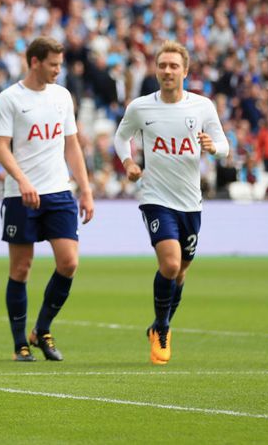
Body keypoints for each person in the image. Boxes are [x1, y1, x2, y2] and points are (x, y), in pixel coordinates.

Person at [113, 40, 229, 365]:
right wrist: (128, 163)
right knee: (171, 264)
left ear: (185, 71)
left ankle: (159, 324)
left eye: (173, 66)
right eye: (162, 65)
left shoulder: (202, 106)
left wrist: (213, 147)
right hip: (155, 197)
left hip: (190, 202)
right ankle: (162, 328)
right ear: (156, 69)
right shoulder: (140, 107)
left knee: (181, 272)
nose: (167, 71)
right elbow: (121, 137)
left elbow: (224, 144)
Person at [0, 36, 94, 363]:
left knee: (69, 262)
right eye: (53, 64)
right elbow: (0, 147)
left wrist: (86, 189)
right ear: (34, 62)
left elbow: (72, 145)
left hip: (59, 191)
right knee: (21, 268)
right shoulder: (10, 99)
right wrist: (22, 181)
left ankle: (42, 329)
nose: (57, 71)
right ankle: (20, 342)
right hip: (20, 195)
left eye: (59, 65)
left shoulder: (62, 96)